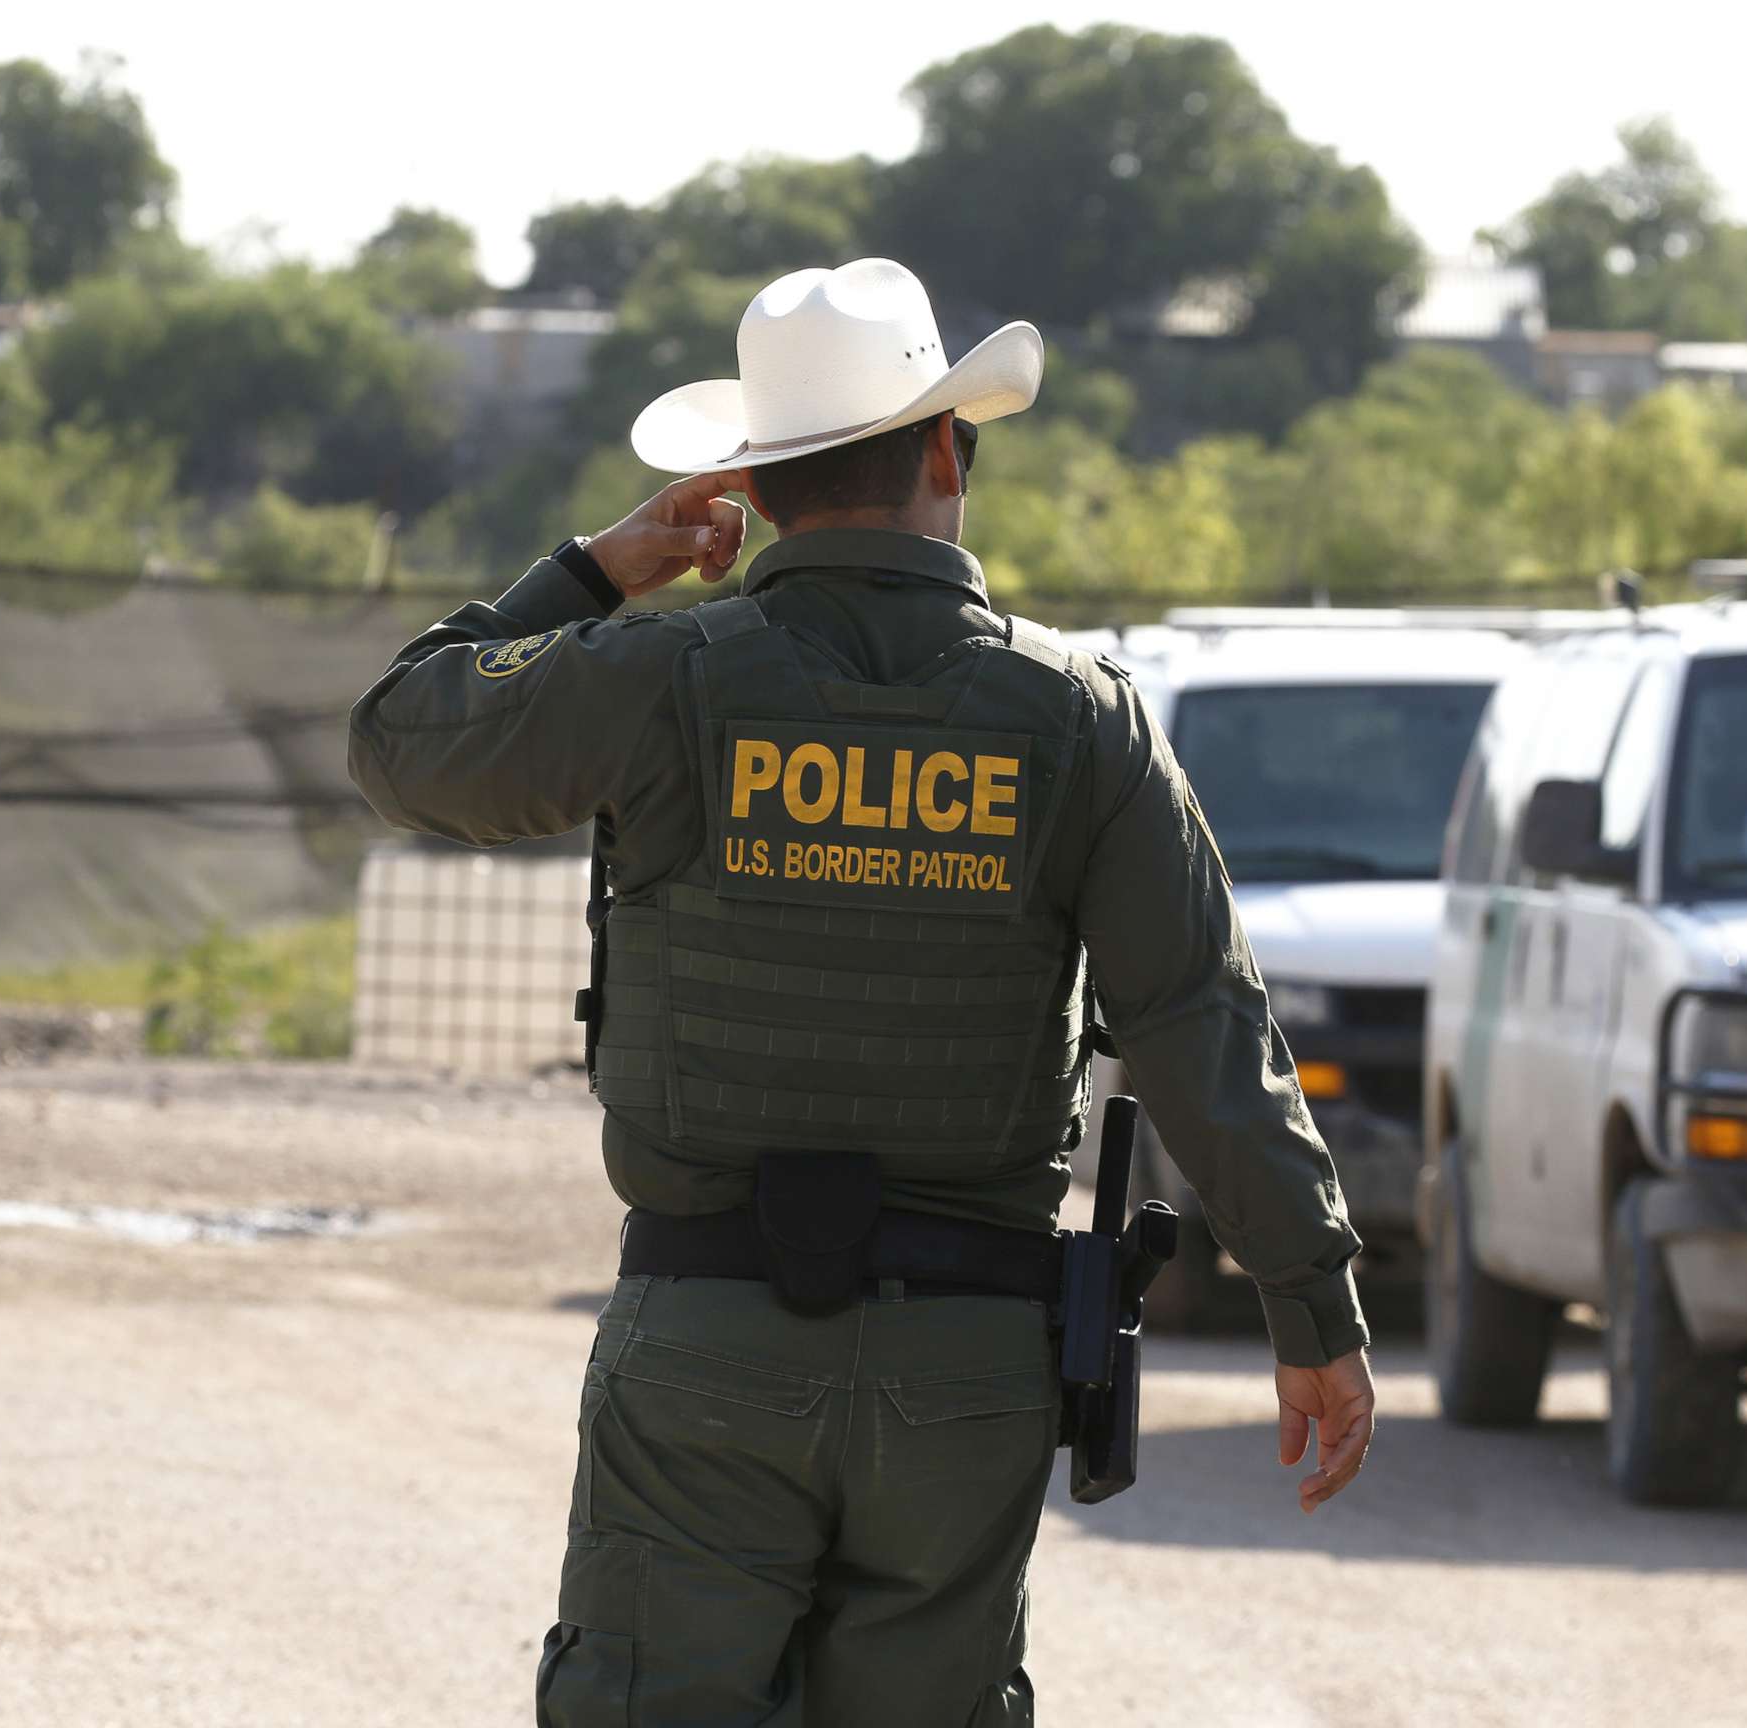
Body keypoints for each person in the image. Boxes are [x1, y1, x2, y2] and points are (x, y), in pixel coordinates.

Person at [348, 258, 1374, 1727]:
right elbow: (1200, 1030)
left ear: (753, 491)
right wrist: (1313, 1303)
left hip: (703, 1340)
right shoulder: (1082, 721)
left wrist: (591, 571)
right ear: (949, 450)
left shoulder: (659, 675)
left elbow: (401, 736)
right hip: (969, 1363)